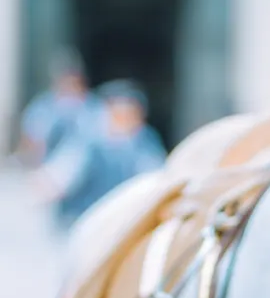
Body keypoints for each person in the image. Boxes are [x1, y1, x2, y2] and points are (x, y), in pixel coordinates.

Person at [30, 79, 167, 229]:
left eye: (132, 114)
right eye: (120, 114)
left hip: (123, 221)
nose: (127, 120)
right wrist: (47, 184)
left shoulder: (145, 140)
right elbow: (64, 172)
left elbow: (156, 175)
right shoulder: (90, 139)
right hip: (84, 221)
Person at [17, 52, 101, 167]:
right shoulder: (43, 106)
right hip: (46, 170)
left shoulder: (94, 107)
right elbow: (30, 141)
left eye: (74, 81)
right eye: (66, 80)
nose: (69, 85)